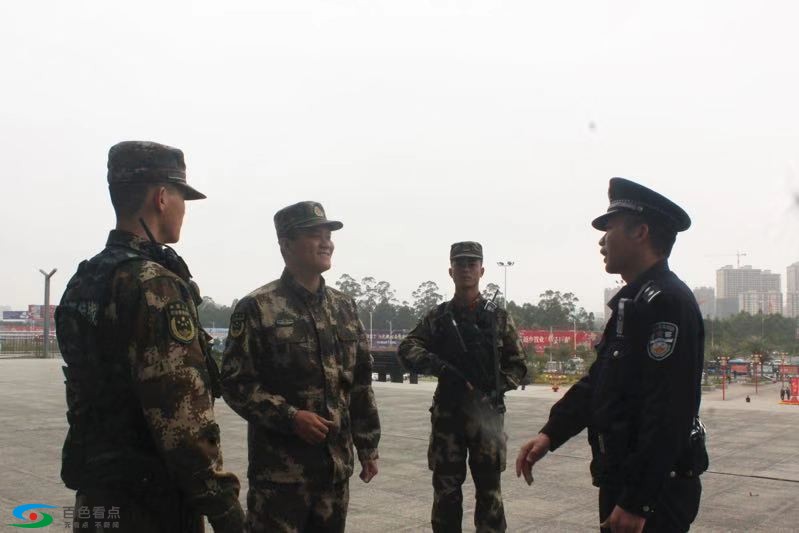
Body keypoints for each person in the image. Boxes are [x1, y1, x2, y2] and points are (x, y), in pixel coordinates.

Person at [55, 141, 244, 532]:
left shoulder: (86, 279)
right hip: (150, 504)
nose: (183, 210)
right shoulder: (154, 284)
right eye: (182, 198)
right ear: (161, 198)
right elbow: (182, 421)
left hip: (98, 492)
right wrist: (225, 508)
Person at [516, 178, 707, 533]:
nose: (602, 240)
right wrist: (550, 434)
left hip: (654, 494)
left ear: (640, 232)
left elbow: (668, 412)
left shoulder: (667, 304)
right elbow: (600, 383)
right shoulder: (634, 303)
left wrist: (637, 502)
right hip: (626, 480)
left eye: (610, 228)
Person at [221, 201, 381, 533]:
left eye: (328, 234)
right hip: (280, 479)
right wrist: (290, 418)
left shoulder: (345, 308)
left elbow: (361, 382)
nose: (326, 242)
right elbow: (236, 384)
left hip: (335, 473)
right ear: (286, 243)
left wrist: (367, 445)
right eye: (314, 234)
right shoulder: (257, 308)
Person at [398, 242, 527, 533]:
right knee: (446, 492)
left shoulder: (498, 318)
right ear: (450, 271)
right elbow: (407, 348)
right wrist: (441, 368)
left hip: (486, 415)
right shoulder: (439, 318)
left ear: (481, 270)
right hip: (448, 415)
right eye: (460, 264)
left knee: (490, 493)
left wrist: (495, 388)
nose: (466, 269)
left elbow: (518, 364)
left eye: (472, 263)